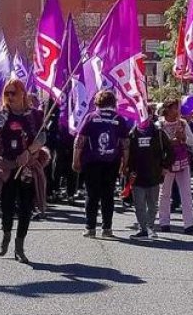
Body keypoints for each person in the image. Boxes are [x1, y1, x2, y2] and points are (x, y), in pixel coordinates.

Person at [0, 78, 42, 263]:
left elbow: (42, 138)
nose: (9, 97)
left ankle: (19, 246)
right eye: (6, 93)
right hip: (7, 166)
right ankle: (6, 233)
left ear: (23, 93)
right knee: (6, 207)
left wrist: (29, 152)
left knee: (26, 208)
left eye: (13, 93)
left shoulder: (34, 115)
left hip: (25, 167)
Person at [72, 90, 130, 238]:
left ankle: (90, 228)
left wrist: (76, 159)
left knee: (91, 194)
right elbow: (125, 144)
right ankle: (107, 228)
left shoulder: (91, 117)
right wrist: (125, 163)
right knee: (108, 195)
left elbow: (80, 140)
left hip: (92, 162)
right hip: (112, 162)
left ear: (97, 102)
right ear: (113, 102)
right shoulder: (120, 119)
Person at [123, 110, 171, 239]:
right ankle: (142, 229)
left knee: (152, 204)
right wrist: (125, 168)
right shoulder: (132, 134)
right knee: (139, 205)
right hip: (137, 175)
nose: (143, 118)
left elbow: (170, 150)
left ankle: (150, 227)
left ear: (150, 116)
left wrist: (165, 167)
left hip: (154, 175)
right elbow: (126, 153)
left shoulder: (158, 133)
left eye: (145, 115)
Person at [156, 99, 193, 234]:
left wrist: (183, 137)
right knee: (165, 193)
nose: (177, 111)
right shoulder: (159, 125)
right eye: (175, 108)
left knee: (186, 192)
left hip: (182, 161)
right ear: (167, 109)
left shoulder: (183, 123)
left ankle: (189, 224)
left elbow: (192, 142)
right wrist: (171, 142)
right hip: (167, 163)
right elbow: (157, 144)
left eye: (178, 108)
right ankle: (164, 222)